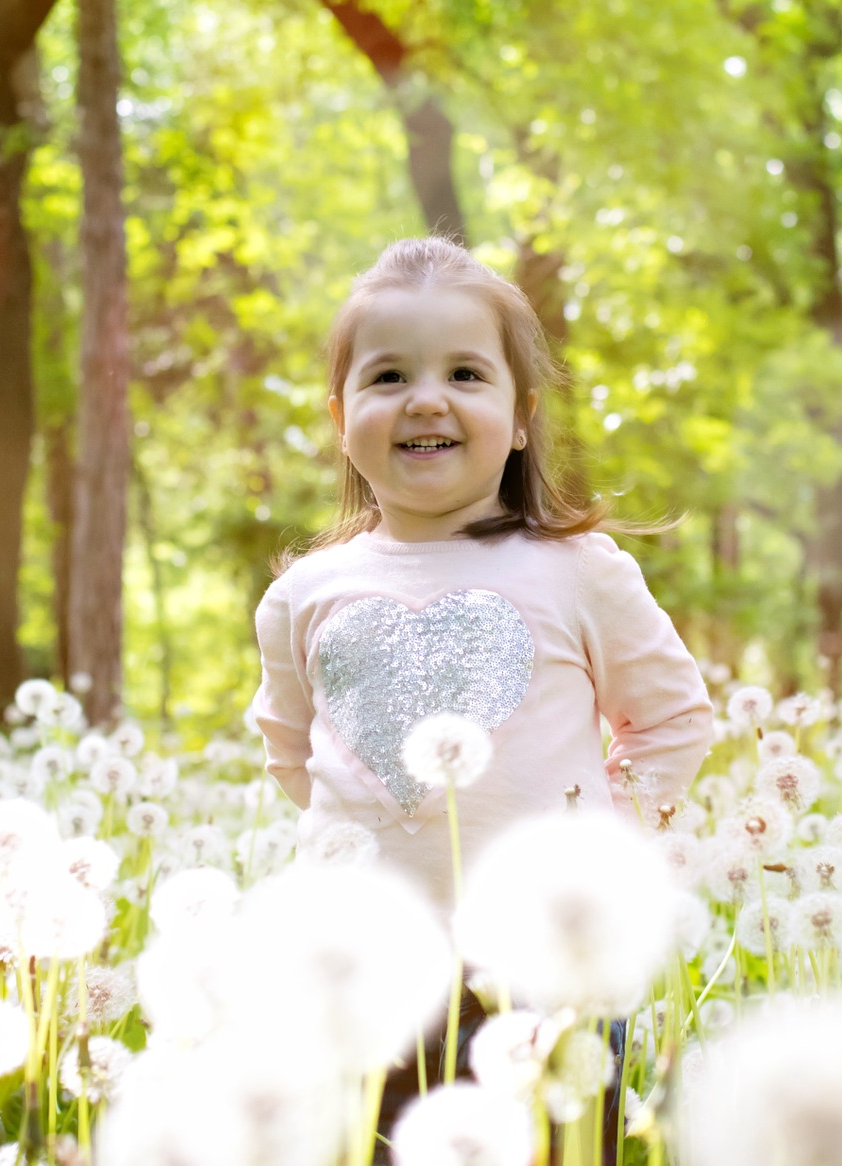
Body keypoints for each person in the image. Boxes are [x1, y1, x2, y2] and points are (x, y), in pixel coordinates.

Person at [250, 236, 714, 1161]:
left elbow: (673, 721)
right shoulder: (304, 594)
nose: (426, 398)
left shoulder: (580, 571)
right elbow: (293, 757)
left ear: (522, 416)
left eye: (465, 372)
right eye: (389, 378)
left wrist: (592, 842)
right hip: (365, 974)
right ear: (342, 418)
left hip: (550, 971)